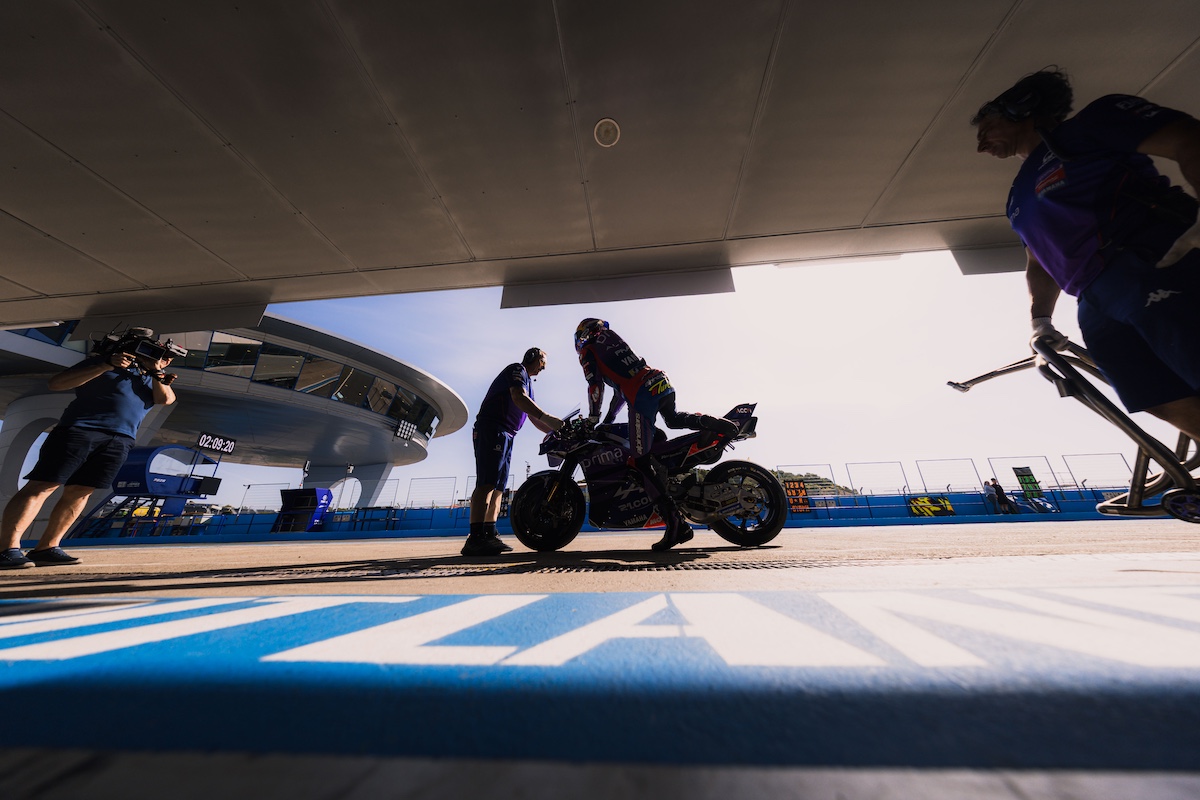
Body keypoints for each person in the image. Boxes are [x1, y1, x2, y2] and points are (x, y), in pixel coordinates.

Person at [973, 69, 1200, 444]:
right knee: (1150, 393)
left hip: (1152, 258)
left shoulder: (1090, 124)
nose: (982, 146)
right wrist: (1040, 321)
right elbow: (1039, 263)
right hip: (1094, 299)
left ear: (1020, 109)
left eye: (987, 129)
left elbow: (1187, 137)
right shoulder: (1016, 196)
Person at [0, 332, 177, 568]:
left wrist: (156, 373)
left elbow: (166, 399)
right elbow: (57, 383)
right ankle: (7, 549)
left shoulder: (154, 378)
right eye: (158, 354)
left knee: (81, 491)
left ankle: (47, 548)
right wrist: (107, 364)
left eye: (167, 357)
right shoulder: (103, 362)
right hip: (79, 430)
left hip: (120, 439)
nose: (164, 360)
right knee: (43, 485)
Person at [574, 318, 739, 551]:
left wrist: (593, 418)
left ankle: (675, 523)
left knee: (639, 462)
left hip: (641, 394)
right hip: (658, 380)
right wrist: (608, 419)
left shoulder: (588, 350)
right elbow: (620, 393)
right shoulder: (613, 341)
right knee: (673, 419)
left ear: (582, 336)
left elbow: (595, 386)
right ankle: (715, 423)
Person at [464, 347, 564, 557]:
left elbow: (534, 417)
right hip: (493, 428)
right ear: (532, 357)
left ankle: (489, 533)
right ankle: (475, 538)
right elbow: (518, 397)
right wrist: (548, 418)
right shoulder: (517, 370)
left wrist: (556, 430)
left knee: (499, 487)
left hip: (508, 434)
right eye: (542, 362)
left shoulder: (529, 384)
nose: (543, 368)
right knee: (486, 483)